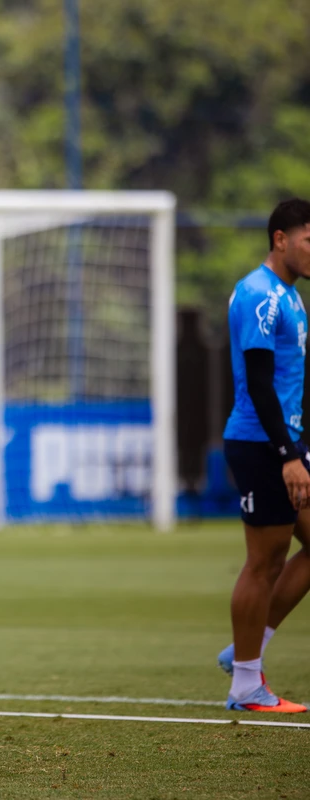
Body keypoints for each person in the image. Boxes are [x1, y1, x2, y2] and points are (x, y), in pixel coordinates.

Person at [219, 199, 310, 713]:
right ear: (281, 238)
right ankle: (247, 685)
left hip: (284, 444)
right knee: (264, 562)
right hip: (261, 446)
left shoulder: (291, 298)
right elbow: (257, 383)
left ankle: (246, 650)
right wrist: (287, 454)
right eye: (308, 240)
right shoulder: (261, 295)